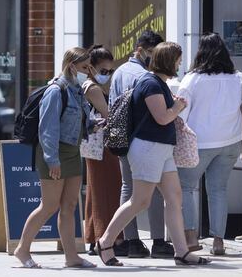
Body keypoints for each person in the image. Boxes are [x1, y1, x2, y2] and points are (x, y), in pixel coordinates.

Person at [96, 42, 210, 267]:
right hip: (148, 148)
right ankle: (105, 242)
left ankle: (181, 252)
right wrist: (177, 108)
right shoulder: (151, 84)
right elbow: (162, 117)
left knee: (174, 198)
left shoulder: (157, 82)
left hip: (160, 148)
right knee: (140, 201)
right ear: (169, 60)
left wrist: (175, 107)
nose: (180, 63)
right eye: (177, 59)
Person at [13, 47, 96, 269]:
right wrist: (52, 159)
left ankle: (72, 257)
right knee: (49, 205)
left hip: (72, 150)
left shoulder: (77, 89)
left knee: (69, 205)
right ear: (71, 66)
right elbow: (47, 128)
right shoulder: (56, 90)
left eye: (89, 67)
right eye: (84, 67)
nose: (88, 71)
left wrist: (93, 125)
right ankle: (22, 249)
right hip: (54, 153)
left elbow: (75, 121)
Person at [177, 33, 242, 255]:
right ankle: (218, 241)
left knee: (185, 187)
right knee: (218, 190)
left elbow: (181, 111)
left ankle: (191, 237)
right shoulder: (238, 77)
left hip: (199, 142)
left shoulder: (192, 78)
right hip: (231, 141)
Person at [109, 30, 172, 258]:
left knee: (128, 187)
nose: (154, 58)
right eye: (152, 53)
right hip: (142, 138)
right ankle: (158, 241)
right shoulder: (145, 76)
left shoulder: (119, 73)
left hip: (122, 136)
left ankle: (132, 241)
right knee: (152, 189)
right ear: (140, 50)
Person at [82, 46, 124, 256]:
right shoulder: (94, 88)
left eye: (110, 71)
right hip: (102, 145)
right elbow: (108, 115)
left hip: (94, 145)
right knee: (107, 190)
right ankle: (106, 238)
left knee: (96, 191)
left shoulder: (90, 85)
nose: (107, 74)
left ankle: (94, 236)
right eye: (104, 70)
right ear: (91, 67)